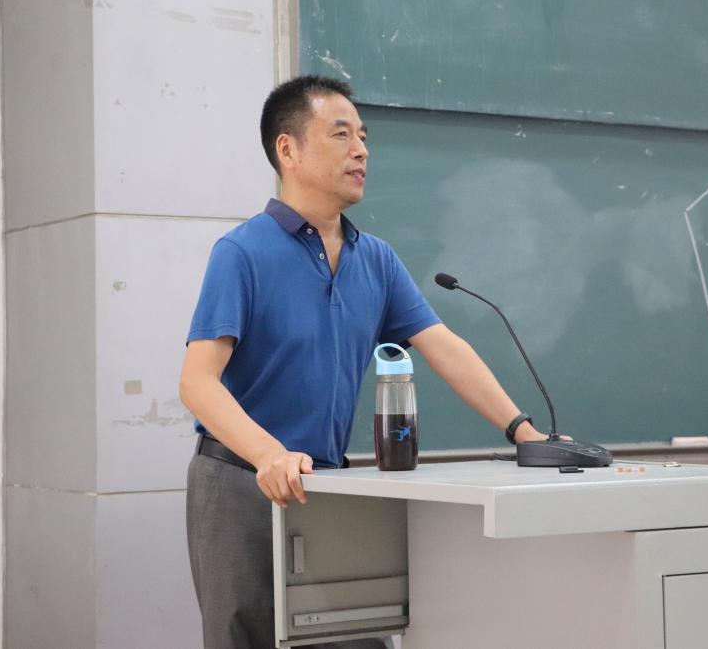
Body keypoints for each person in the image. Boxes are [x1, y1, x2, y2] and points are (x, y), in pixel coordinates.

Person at [180, 75, 561, 649]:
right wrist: (269, 455)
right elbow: (197, 382)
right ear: (288, 150)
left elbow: (444, 347)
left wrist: (525, 433)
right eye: (341, 135)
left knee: (357, 634)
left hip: (328, 486)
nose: (361, 150)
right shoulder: (242, 253)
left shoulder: (375, 259)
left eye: (363, 136)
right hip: (240, 482)